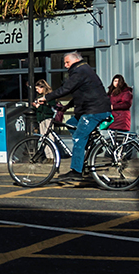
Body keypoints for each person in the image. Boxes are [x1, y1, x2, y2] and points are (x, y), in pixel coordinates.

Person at [35, 51, 111, 184]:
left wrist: (46, 97)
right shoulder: (84, 70)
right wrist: (66, 107)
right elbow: (80, 93)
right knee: (71, 122)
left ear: (75, 60)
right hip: (92, 109)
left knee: (78, 137)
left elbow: (66, 89)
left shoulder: (80, 71)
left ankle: (76, 171)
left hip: (93, 111)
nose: (65, 65)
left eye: (67, 62)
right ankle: (89, 149)